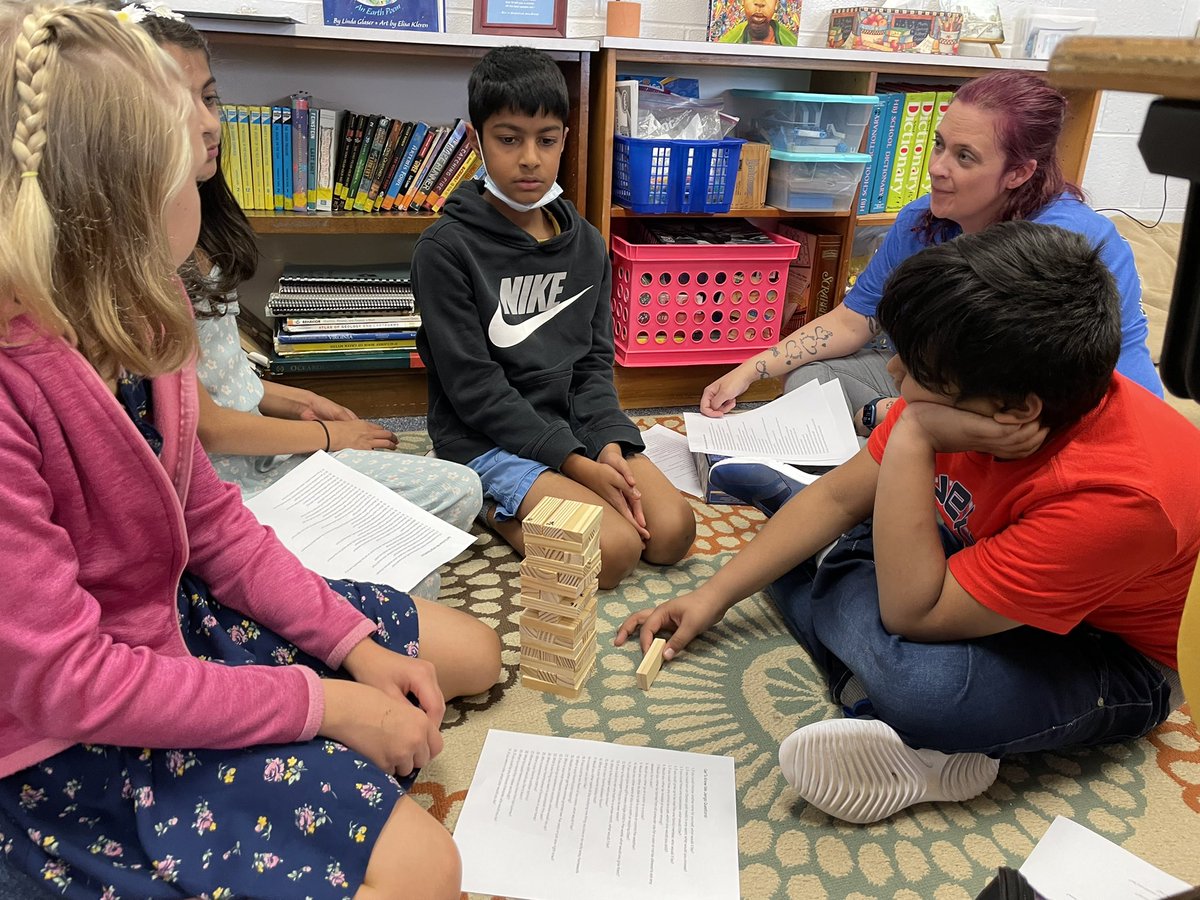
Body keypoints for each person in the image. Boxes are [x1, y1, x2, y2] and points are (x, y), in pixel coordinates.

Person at [0, 4, 499, 898]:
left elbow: (215, 528)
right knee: (428, 872)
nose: (208, 137)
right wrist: (325, 704)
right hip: (68, 734)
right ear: (123, 203)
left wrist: (351, 647)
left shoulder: (151, 314)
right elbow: (68, 682)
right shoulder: (17, 384)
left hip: (169, 624)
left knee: (472, 657)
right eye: (185, 143)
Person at [617, 221, 1199, 825]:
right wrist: (712, 596)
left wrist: (914, 438)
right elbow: (839, 500)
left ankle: (852, 625)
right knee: (826, 537)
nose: (894, 374)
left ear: (1016, 409)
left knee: (928, 691)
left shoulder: (1116, 493)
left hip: (1114, 652)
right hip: (978, 559)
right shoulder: (977, 390)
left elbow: (910, 616)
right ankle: (858, 651)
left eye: (920, 371)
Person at [117, 2, 483, 602]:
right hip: (227, 490)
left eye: (211, 99)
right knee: (419, 577)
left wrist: (302, 402)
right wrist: (326, 440)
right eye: (180, 107)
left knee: (457, 492)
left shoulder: (200, 224)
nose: (209, 125)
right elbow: (203, 426)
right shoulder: (147, 263)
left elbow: (227, 378)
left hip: (267, 453)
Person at [701, 71, 1164, 515]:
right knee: (808, 381)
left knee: (947, 443)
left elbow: (1026, 395)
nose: (938, 169)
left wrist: (902, 413)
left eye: (965, 157)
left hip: (1051, 415)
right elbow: (853, 319)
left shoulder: (1069, 245)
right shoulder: (922, 219)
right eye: (939, 145)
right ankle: (880, 455)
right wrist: (749, 371)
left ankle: (876, 468)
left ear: (1019, 173)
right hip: (946, 386)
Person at [413, 46, 696, 589]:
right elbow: (473, 389)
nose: (529, 159)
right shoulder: (445, 249)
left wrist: (607, 443)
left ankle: (568, 478)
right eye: (508, 138)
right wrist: (574, 465)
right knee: (609, 555)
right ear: (477, 140)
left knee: (671, 532)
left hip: (572, 426)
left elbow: (593, 362)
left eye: (546, 140)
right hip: (484, 438)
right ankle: (484, 502)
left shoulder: (586, 243)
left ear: (565, 140)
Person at [718, 0, 798, 45]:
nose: (760, 2)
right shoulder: (726, 44)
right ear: (743, 1)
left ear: (776, 4)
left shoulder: (792, 44)